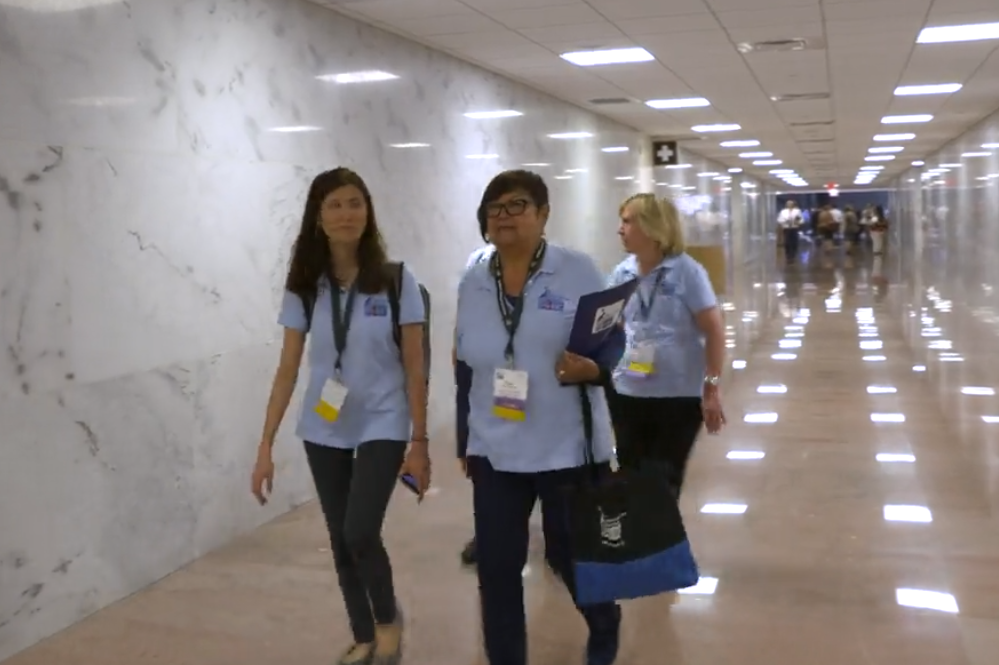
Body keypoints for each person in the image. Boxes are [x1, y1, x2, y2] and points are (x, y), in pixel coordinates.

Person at [251, 167, 431, 665]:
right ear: (318, 217)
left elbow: (416, 366)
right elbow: (288, 368)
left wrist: (420, 441)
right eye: (334, 205)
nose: (346, 213)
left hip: (384, 418)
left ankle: (389, 619)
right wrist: (264, 445)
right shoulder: (306, 285)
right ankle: (363, 633)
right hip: (325, 423)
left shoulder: (396, 280)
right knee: (339, 537)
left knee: (359, 530)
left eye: (355, 202)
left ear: (367, 212)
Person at [456, 169, 625, 665]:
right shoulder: (473, 274)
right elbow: (464, 360)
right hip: (495, 447)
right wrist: (465, 439)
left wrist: (594, 367)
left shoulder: (578, 270)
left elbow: (615, 343)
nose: (504, 216)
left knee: (567, 556)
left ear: (544, 214)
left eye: (517, 205)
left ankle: (604, 621)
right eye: (494, 208)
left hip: (566, 444)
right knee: (498, 567)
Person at [605, 193, 726, 496]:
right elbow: (609, 323)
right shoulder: (623, 272)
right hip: (629, 391)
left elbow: (714, 331)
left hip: (677, 395)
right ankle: (638, 541)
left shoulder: (687, 272)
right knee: (630, 475)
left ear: (652, 227)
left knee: (663, 481)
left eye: (627, 221)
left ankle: (661, 541)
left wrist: (711, 388)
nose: (620, 229)